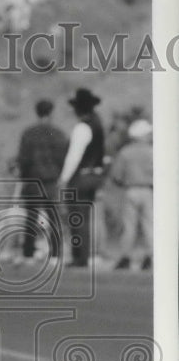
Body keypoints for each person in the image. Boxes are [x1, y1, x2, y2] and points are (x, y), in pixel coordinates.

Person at [16, 99, 69, 261]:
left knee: (31, 217)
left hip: (33, 178)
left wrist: (23, 176)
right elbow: (62, 158)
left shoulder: (28, 133)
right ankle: (55, 253)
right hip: (51, 180)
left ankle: (28, 253)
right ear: (51, 112)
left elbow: (23, 158)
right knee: (53, 217)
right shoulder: (58, 133)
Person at [58, 88, 105, 267]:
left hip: (81, 176)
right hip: (95, 175)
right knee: (85, 216)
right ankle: (84, 255)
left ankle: (80, 256)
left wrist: (64, 178)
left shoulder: (82, 127)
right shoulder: (98, 123)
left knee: (77, 217)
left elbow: (74, 156)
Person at [109, 119, 153, 270]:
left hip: (130, 190)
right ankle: (151, 256)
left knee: (129, 226)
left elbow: (116, 175)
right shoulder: (152, 151)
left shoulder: (125, 152)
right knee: (149, 225)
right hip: (148, 190)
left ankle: (125, 257)